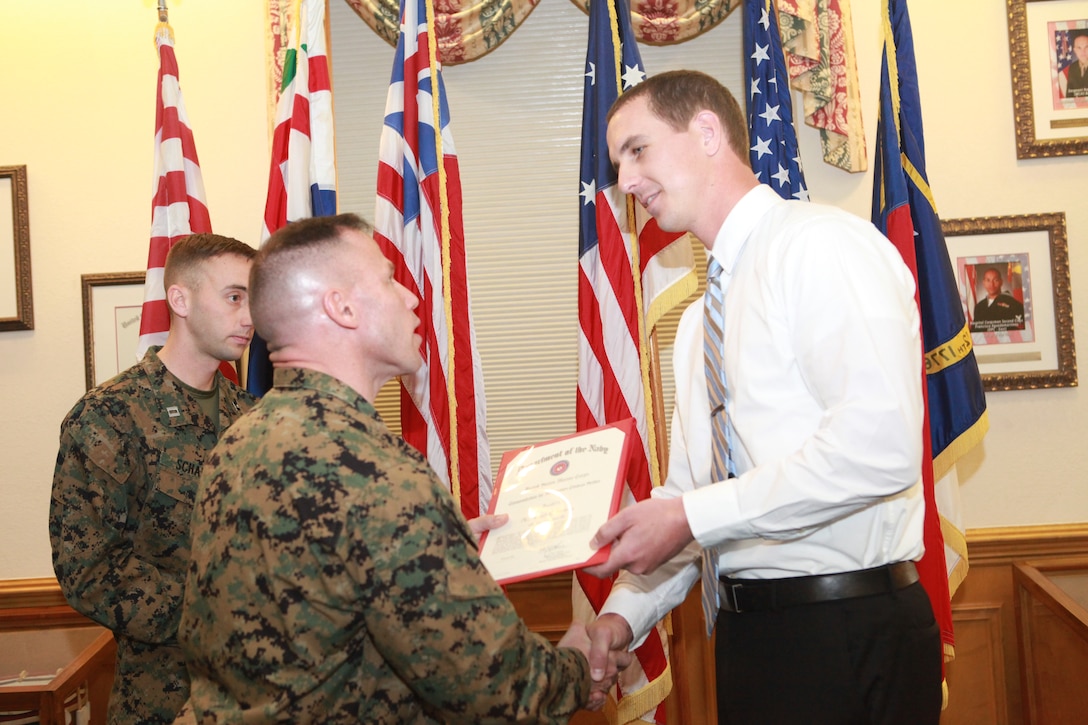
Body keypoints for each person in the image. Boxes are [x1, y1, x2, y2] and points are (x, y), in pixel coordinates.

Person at [583, 70, 942, 723]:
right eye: (617, 164)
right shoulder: (697, 323)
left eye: (637, 150)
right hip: (750, 640)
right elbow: (690, 493)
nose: (626, 180)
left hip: (848, 629)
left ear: (708, 131)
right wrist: (619, 615)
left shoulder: (820, 246)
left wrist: (691, 516)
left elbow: (879, 447)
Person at [175, 213, 629, 723]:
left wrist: (437, 544)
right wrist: (575, 667)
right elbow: (496, 691)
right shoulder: (372, 471)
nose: (411, 299)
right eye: (390, 280)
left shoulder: (236, 443)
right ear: (341, 308)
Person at [50, 233, 257, 724]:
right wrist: (210, 617)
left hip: (256, 696)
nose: (250, 317)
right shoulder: (110, 416)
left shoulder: (252, 416)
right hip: (163, 698)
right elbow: (88, 570)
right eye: (234, 297)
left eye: (255, 299)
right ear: (180, 299)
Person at [971, 265, 1024, 332]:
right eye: (988, 280)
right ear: (983, 283)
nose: (991, 284)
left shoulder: (1012, 303)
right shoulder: (979, 306)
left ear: (1001, 282)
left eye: (995, 280)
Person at [1059, 32, 1088, 98]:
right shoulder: (1072, 68)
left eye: (1086, 47)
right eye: (1079, 48)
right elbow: (1069, 95)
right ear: (1075, 50)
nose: (1083, 52)